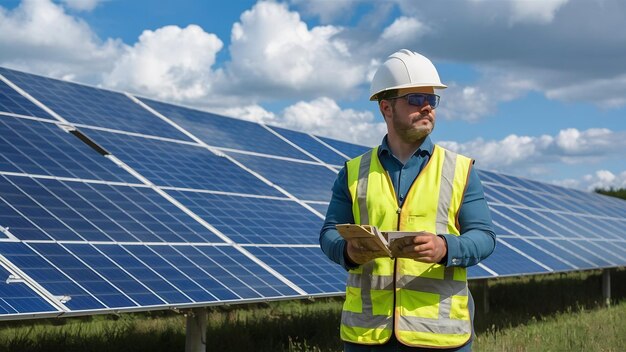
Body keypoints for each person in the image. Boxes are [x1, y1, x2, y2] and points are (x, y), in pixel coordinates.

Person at [320, 49, 496, 351]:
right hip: (367, 337)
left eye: (432, 99)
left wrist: (445, 247)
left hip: (439, 336)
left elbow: (484, 238)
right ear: (386, 108)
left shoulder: (460, 170)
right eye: (415, 98)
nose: (427, 107)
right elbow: (328, 235)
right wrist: (347, 251)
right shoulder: (352, 172)